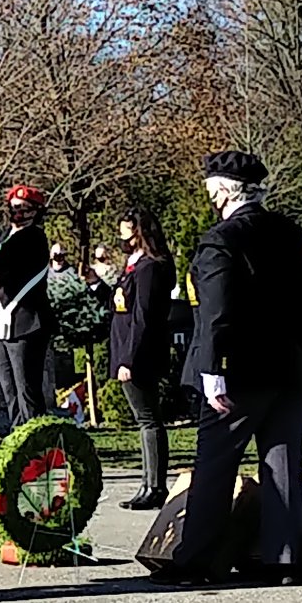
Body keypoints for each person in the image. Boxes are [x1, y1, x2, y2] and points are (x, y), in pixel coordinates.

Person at [162, 151, 302, 585]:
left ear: (220, 191)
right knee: (282, 463)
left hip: (239, 372)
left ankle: (195, 559)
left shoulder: (221, 239)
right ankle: (283, 559)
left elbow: (218, 311)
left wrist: (212, 370)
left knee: (216, 466)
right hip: (289, 369)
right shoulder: (287, 232)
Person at [0, 184, 57, 428]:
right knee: (9, 390)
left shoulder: (32, 237)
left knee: (27, 390)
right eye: (14, 207)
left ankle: (36, 442)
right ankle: (18, 436)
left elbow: (1, 264)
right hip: (1, 325)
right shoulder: (5, 236)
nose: (18, 212)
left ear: (36, 211)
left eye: (24, 208)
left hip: (26, 322)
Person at [109, 208, 175, 510]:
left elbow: (144, 315)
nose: (122, 235)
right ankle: (147, 483)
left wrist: (130, 359)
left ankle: (155, 485)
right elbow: (122, 305)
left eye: (127, 229)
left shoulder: (149, 267)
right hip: (126, 346)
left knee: (148, 419)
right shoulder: (133, 265)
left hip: (140, 352)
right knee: (144, 420)